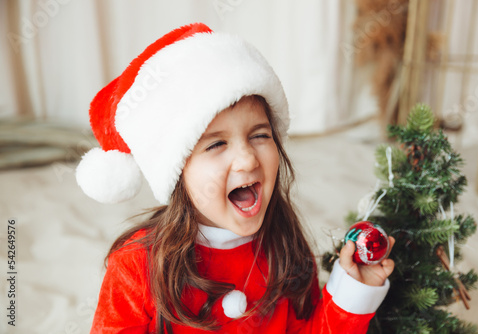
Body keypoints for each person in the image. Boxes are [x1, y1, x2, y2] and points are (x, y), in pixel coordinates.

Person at [76, 23, 395, 334]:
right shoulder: (137, 266)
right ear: (177, 173)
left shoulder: (286, 249)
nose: (247, 159)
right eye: (217, 144)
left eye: (259, 135)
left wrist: (354, 292)